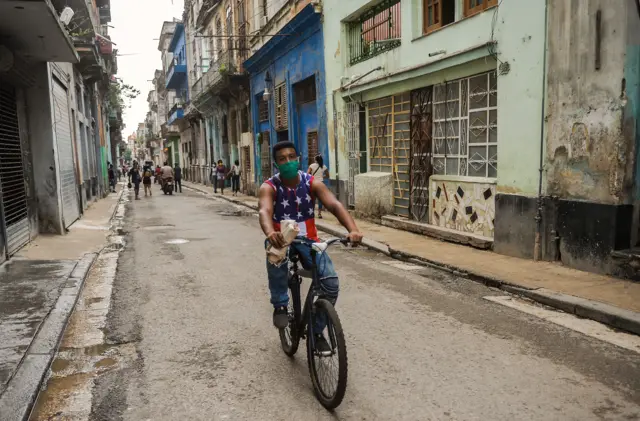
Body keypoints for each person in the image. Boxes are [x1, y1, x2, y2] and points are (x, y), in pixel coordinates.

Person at [258, 141, 363, 351]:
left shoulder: (312, 182)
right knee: (276, 259)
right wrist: (271, 233)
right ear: (276, 164)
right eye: (282, 159)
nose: (287, 162)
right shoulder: (269, 187)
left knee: (330, 283)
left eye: (291, 157)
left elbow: (334, 204)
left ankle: (316, 331)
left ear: (298, 158)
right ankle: (280, 304)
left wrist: (353, 229)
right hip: (282, 239)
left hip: (310, 241)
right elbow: (264, 212)